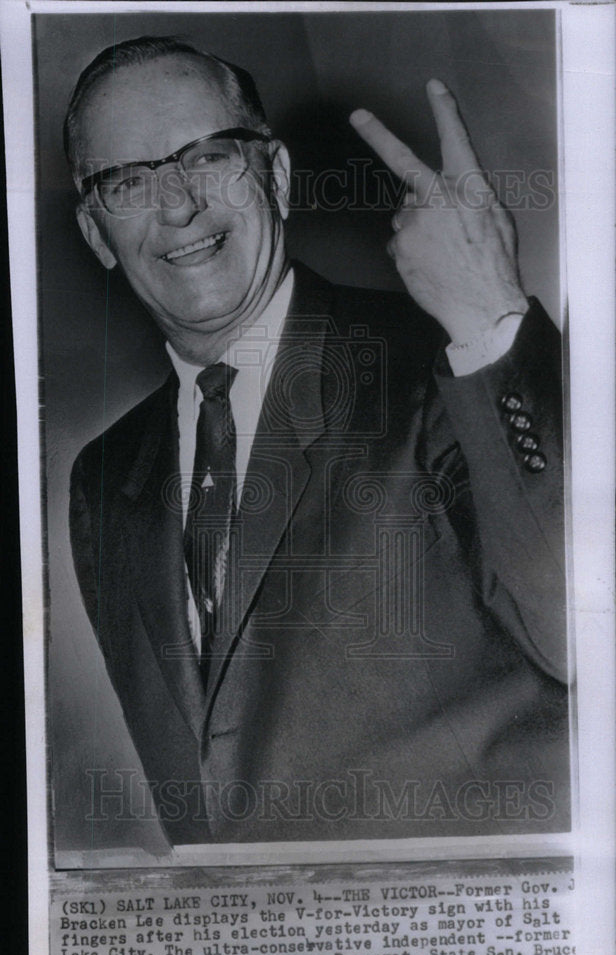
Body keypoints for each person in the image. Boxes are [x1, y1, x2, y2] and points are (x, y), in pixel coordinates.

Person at [67, 36, 569, 845]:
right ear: (95, 234)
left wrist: (491, 315)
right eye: (128, 180)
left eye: (208, 156)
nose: (177, 205)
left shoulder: (443, 368)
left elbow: (586, 636)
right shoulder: (102, 478)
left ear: (279, 178)